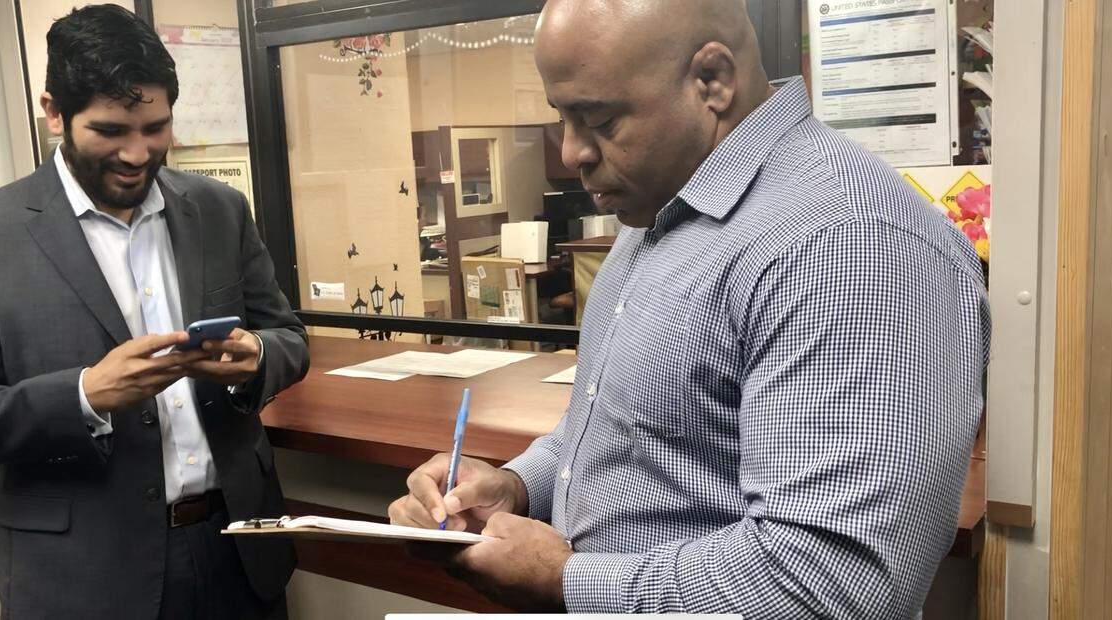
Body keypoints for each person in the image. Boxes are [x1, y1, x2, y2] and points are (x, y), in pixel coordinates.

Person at [390, 0, 991, 616]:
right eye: (562, 117)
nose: (571, 152)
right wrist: (518, 486)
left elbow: (836, 582)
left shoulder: (850, 244)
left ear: (713, 81)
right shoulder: (658, 207)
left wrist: (568, 581)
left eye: (597, 119)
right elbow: (621, 425)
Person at [0, 5, 308, 619]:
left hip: (239, 554)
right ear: (54, 111)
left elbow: (288, 337)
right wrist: (85, 396)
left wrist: (257, 358)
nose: (138, 154)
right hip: (84, 574)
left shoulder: (218, 208)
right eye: (110, 131)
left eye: (156, 128)